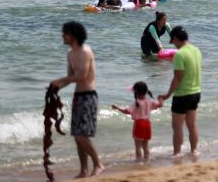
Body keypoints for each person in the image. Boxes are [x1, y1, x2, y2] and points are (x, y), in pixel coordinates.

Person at [50, 21, 105, 177]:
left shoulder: (85, 51)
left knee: (82, 135)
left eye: (64, 33)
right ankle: (83, 170)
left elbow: (82, 76)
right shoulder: (70, 53)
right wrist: (56, 87)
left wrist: (58, 80)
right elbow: (70, 78)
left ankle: (98, 164)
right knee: (77, 136)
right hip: (78, 96)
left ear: (72, 35)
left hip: (89, 97)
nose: (62, 36)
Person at [158, 26, 202, 156]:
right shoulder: (196, 50)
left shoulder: (180, 54)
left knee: (177, 127)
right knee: (192, 125)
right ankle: (194, 151)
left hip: (182, 95)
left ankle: (177, 153)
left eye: (173, 42)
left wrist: (166, 95)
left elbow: (177, 79)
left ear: (176, 38)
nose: (174, 45)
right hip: (196, 92)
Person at [111, 82, 164, 161]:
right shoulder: (150, 101)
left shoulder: (136, 103)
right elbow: (159, 105)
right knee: (145, 146)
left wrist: (117, 108)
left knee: (138, 146)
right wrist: (160, 98)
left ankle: (138, 161)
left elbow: (127, 111)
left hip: (139, 124)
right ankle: (146, 160)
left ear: (135, 92)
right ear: (146, 91)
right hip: (147, 124)